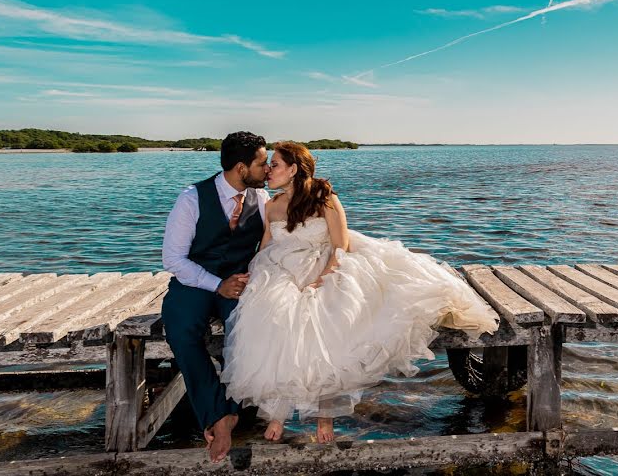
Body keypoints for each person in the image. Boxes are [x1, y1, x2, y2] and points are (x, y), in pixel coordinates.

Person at [220, 141, 499, 444]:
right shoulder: (272, 205)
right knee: (274, 317)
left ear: (293, 169)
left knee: (325, 321)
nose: (269, 170)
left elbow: (340, 245)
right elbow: (266, 246)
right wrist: (257, 276)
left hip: (325, 262)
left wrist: (322, 278)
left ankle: (324, 412)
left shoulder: (325, 199)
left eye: (275, 164)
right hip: (281, 268)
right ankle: (278, 410)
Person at [161, 131, 271, 462]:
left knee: (245, 332)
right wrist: (215, 284)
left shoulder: (263, 200)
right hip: (194, 280)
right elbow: (173, 259)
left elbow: (273, 246)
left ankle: (234, 411)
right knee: (181, 331)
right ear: (241, 167)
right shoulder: (192, 198)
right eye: (262, 163)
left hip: (239, 282)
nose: (267, 170)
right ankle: (217, 415)